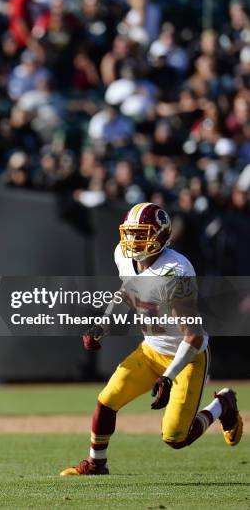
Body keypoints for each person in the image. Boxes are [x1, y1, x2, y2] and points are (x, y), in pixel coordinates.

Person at [61, 202, 243, 476]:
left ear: (160, 236)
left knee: (175, 437)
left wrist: (168, 377)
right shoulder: (123, 256)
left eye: (141, 233)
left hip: (187, 359)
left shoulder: (175, 271)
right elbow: (127, 290)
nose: (133, 240)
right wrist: (103, 325)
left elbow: (192, 337)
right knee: (107, 400)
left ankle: (222, 405)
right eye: (130, 233)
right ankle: (97, 463)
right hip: (150, 350)